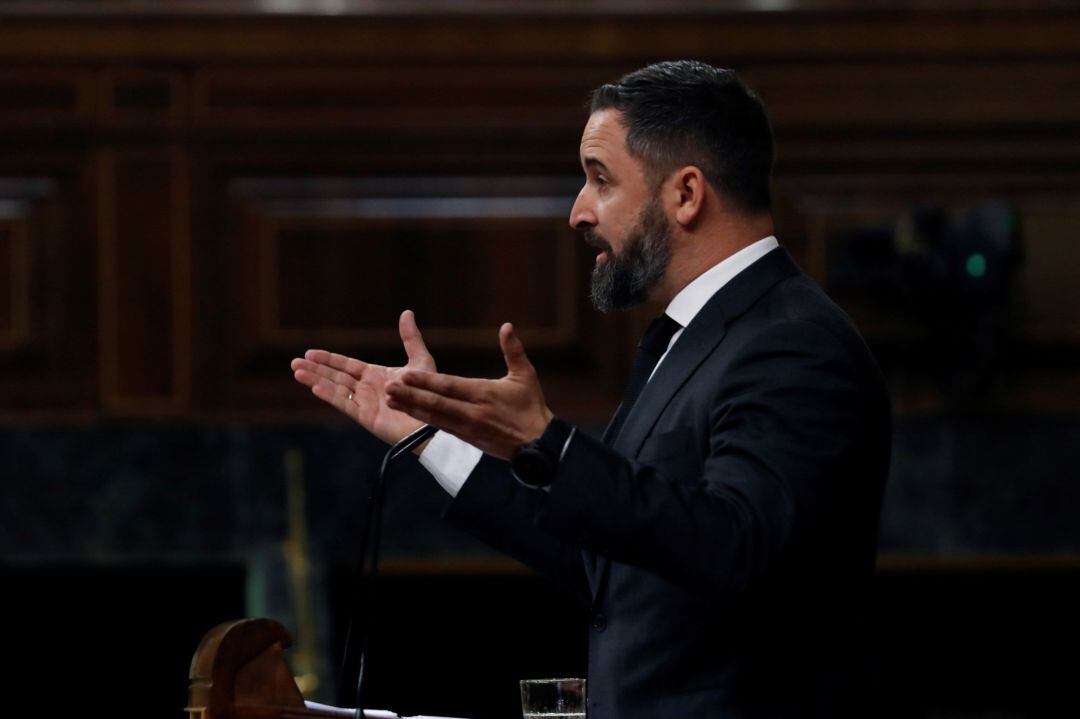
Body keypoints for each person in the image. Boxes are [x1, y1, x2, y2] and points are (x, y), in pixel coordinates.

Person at [292, 60, 891, 718]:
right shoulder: (687, 338)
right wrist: (435, 440)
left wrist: (546, 442)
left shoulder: (793, 343)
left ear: (686, 194)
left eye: (599, 179)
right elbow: (616, 563)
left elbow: (739, 548)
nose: (577, 211)